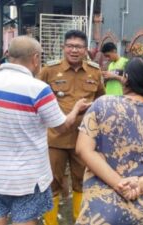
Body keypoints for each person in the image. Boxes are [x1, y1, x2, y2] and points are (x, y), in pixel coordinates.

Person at [0, 36, 91, 225]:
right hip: (27, 175)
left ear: (9, 55)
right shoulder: (38, 88)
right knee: (25, 219)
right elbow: (61, 126)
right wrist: (76, 110)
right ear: (35, 58)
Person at [75, 57, 143, 225]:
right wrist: (140, 183)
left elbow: (83, 149)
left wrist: (119, 184)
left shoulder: (102, 105)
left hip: (100, 213)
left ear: (125, 78)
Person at [37, 30, 104, 225]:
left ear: (85, 50)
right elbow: (36, 99)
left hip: (84, 139)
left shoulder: (94, 71)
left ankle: (80, 220)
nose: (74, 50)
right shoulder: (49, 70)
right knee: (52, 183)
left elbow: (101, 99)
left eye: (79, 47)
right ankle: (50, 223)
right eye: (70, 46)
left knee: (83, 182)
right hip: (55, 139)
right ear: (63, 47)